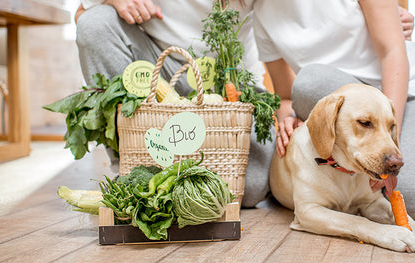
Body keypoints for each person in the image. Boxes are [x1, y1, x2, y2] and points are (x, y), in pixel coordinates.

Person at [252, 0, 415, 220]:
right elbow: (285, 95)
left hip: (414, 92)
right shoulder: (262, 12)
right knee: (309, 84)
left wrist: (389, 144)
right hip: (344, 98)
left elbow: (393, 54)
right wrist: (286, 118)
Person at [75, 0, 275, 208]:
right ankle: (133, 168)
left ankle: (179, 171)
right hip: (158, 67)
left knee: (250, 187)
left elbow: (277, 35)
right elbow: (82, 17)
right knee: (95, 23)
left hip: (227, 78)